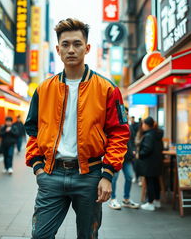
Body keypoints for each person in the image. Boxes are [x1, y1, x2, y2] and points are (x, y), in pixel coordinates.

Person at [24, 18, 130, 239]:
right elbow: (33, 129)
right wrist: (37, 167)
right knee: (40, 236)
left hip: (90, 176)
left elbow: (119, 133)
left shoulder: (107, 89)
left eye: (77, 44)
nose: (71, 49)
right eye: (65, 44)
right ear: (58, 49)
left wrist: (107, 174)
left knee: (87, 236)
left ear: (87, 48)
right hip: (51, 174)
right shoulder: (44, 89)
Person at [109, 107, 139, 210]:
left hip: (128, 158)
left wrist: (134, 150)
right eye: (123, 113)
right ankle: (112, 199)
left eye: (126, 113)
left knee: (129, 177)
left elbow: (133, 141)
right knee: (114, 179)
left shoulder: (129, 127)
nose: (124, 115)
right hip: (117, 157)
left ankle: (126, 199)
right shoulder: (113, 125)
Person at [138, 116, 163, 211]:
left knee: (150, 183)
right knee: (155, 181)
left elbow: (147, 149)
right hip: (157, 162)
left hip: (149, 163)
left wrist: (139, 154)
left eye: (143, 124)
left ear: (147, 125)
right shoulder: (157, 133)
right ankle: (157, 201)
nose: (142, 126)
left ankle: (150, 203)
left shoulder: (149, 135)